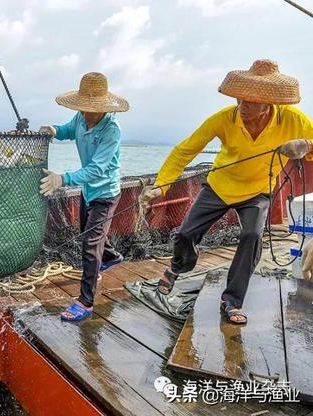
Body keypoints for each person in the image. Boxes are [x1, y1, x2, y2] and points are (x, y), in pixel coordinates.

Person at [139, 59, 313, 325]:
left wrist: (306, 145)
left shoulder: (294, 120)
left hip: (257, 192)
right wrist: (160, 186)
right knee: (186, 233)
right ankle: (177, 268)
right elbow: (184, 151)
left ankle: (232, 300)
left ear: (269, 103)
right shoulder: (223, 119)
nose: (243, 106)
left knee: (252, 236)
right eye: (240, 100)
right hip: (219, 185)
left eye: (251, 102)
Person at [39, 72, 129, 321]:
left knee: (90, 244)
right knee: (91, 234)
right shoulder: (80, 117)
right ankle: (112, 256)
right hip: (88, 191)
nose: (87, 114)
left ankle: (86, 301)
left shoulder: (112, 130)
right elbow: (69, 130)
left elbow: (97, 169)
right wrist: (54, 130)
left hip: (105, 193)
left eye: (92, 109)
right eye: (84, 108)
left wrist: (62, 179)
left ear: (103, 107)